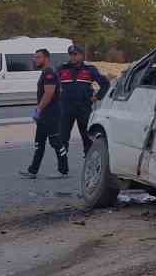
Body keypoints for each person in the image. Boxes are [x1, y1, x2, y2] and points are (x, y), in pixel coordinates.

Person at [21, 48, 68, 178]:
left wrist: (39, 109)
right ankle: (32, 171)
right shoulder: (45, 72)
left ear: (46, 58)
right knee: (39, 143)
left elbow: (49, 93)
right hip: (45, 114)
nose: (35, 60)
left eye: (38, 57)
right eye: (35, 57)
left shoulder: (49, 73)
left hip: (51, 114)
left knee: (56, 142)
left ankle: (63, 170)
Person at [57, 45, 110, 155]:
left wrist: (97, 97)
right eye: (71, 55)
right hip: (66, 108)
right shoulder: (62, 68)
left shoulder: (89, 69)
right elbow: (52, 85)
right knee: (62, 137)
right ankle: (62, 164)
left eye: (75, 54)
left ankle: (89, 160)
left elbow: (105, 84)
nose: (73, 57)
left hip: (84, 108)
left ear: (81, 55)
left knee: (87, 137)